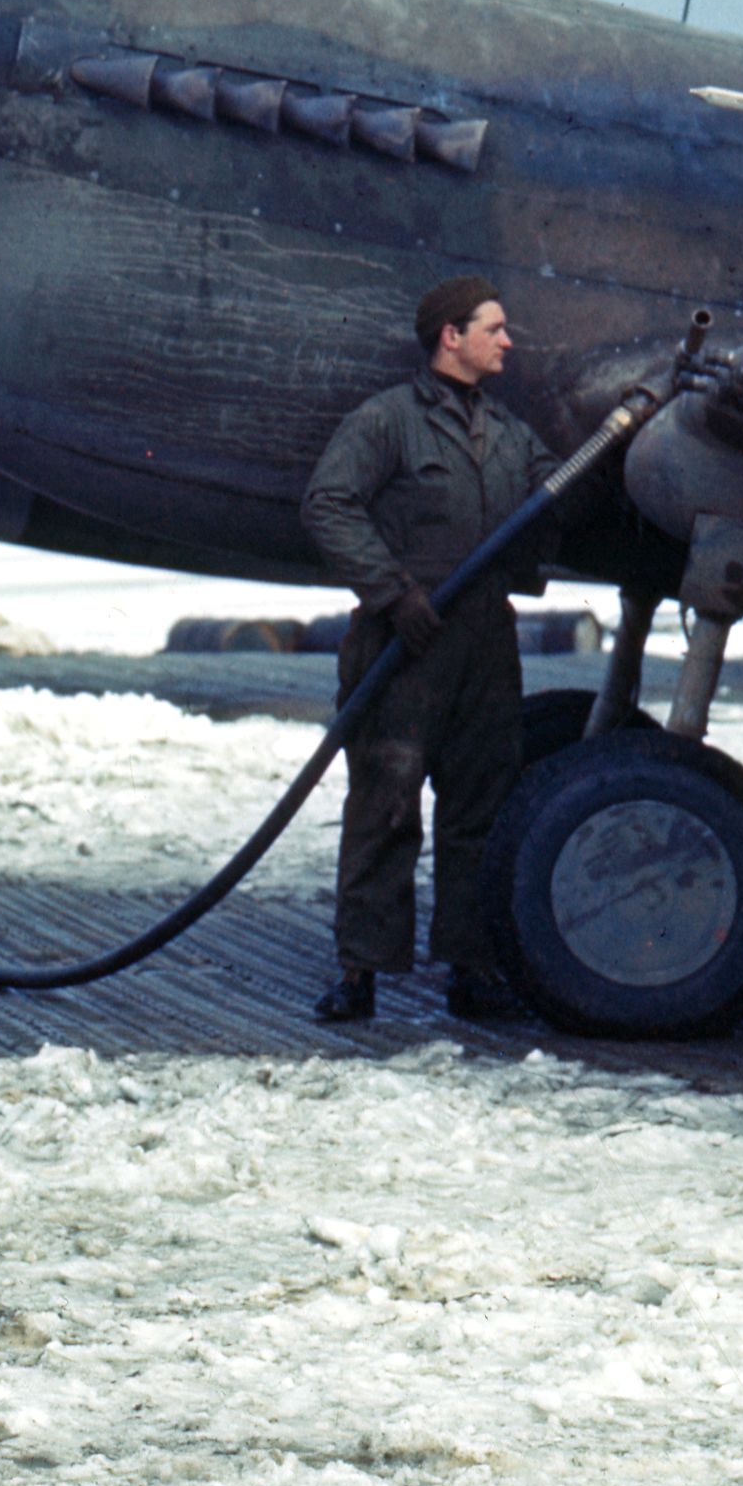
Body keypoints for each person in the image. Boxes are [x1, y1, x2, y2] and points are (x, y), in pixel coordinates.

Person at [296, 276, 551, 1026]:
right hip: (403, 641)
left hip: (483, 643)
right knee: (385, 808)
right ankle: (359, 975)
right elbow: (327, 503)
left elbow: (556, 496)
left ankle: (470, 971)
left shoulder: (509, 433)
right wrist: (390, 592)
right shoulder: (387, 422)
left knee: (479, 810)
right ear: (451, 335)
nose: (507, 341)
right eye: (493, 328)